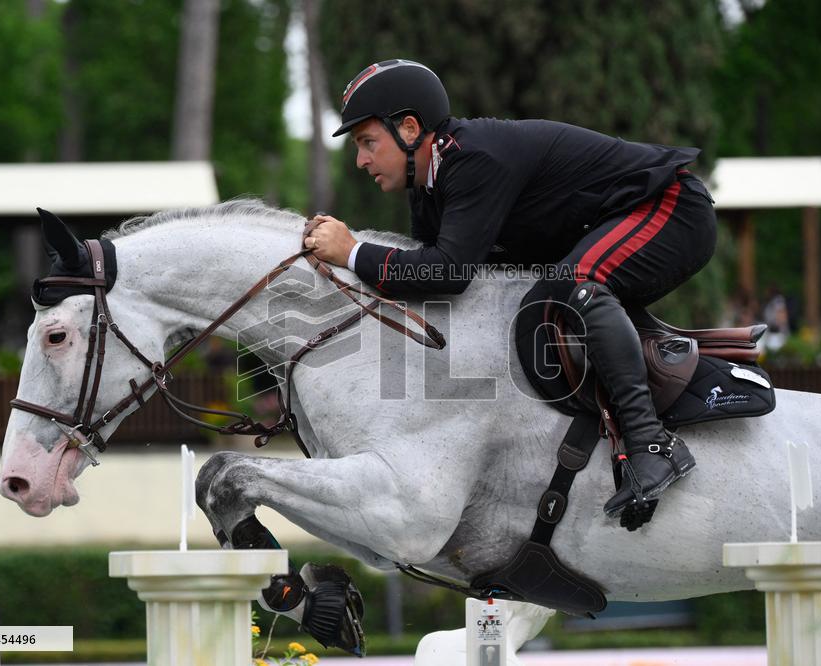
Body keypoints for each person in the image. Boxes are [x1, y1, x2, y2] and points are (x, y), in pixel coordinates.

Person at [305, 59, 717, 525]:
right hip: (620, 221)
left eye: (366, 142)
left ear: (410, 128)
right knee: (545, 296)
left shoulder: (473, 158)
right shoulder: (427, 185)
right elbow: (428, 285)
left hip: (670, 208)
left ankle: (651, 444)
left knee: (570, 286)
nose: (360, 160)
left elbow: (448, 273)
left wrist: (354, 252)